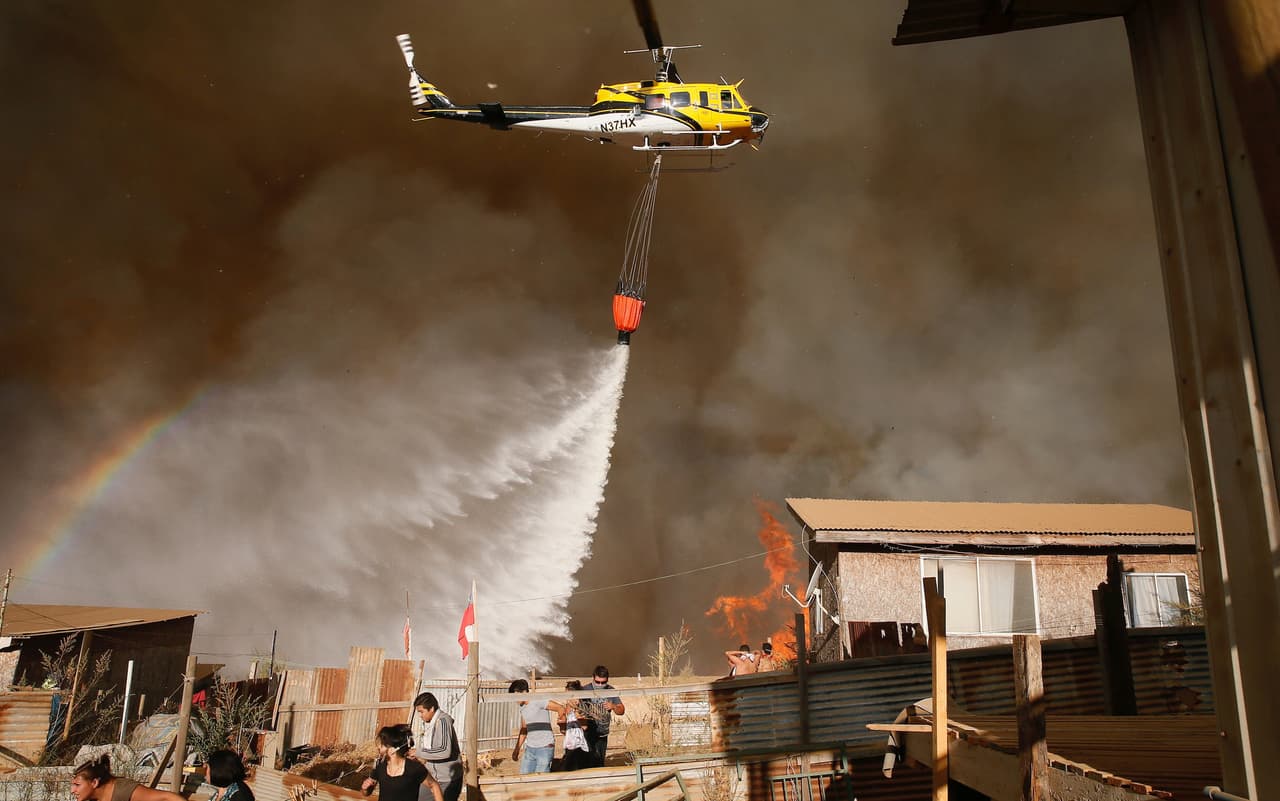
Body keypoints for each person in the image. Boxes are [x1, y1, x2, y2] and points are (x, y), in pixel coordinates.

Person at [363, 725, 443, 801]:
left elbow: (434, 785)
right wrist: (365, 788)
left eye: (382, 745)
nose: (379, 748)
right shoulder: (380, 766)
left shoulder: (414, 768)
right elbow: (366, 793)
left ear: (392, 749)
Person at [508, 679, 565, 774]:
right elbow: (524, 729)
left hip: (545, 747)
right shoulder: (522, 708)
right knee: (524, 778)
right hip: (530, 748)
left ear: (524, 692)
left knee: (540, 779)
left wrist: (562, 725)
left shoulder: (538, 700)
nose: (514, 699)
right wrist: (516, 749)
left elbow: (560, 708)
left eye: (515, 696)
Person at [71, 755, 186, 801]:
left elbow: (168, 797)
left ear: (94, 782)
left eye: (77, 785)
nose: (72, 790)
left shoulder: (123, 790)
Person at [413, 693, 462, 801]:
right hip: (432, 776)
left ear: (431, 709)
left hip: (447, 779)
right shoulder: (431, 724)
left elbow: (444, 751)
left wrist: (418, 752)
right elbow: (432, 752)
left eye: (421, 712)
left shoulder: (443, 722)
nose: (420, 715)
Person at [577, 666, 624, 768]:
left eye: (603, 683)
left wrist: (613, 706)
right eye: (597, 682)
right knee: (587, 762)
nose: (600, 685)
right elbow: (576, 709)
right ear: (593, 678)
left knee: (599, 762)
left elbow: (621, 710)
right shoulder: (585, 690)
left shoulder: (611, 690)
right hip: (587, 733)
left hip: (602, 733)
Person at [557, 681, 591, 772]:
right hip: (570, 745)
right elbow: (564, 731)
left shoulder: (581, 707)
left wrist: (577, 712)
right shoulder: (566, 708)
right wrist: (562, 725)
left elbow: (585, 727)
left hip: (580, 745)